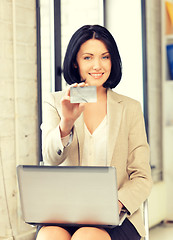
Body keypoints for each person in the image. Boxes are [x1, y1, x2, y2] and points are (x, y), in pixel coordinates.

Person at [36, 25, 152, 240]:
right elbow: (50, 159)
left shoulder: (129, 107)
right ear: (75, 62)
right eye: (88, 57)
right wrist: (67, 122)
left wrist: (113, 205)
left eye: (105, 57)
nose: (97, 65)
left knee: (87, 236)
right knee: (49, 235)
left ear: (112, 61)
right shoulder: (55, 102)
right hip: (65, 213)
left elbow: (142, 176)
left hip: (116, 215)